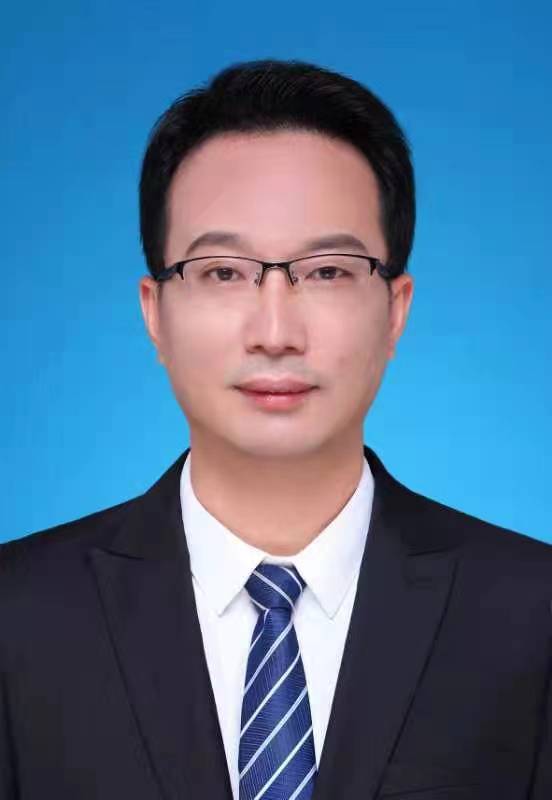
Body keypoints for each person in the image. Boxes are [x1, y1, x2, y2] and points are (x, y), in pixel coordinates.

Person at [1, 58, 551, 800]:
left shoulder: (532, 615)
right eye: (223, 272)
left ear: (396, 311)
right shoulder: (18, 619)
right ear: (154, 313)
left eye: (327, 271)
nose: (275, 332)